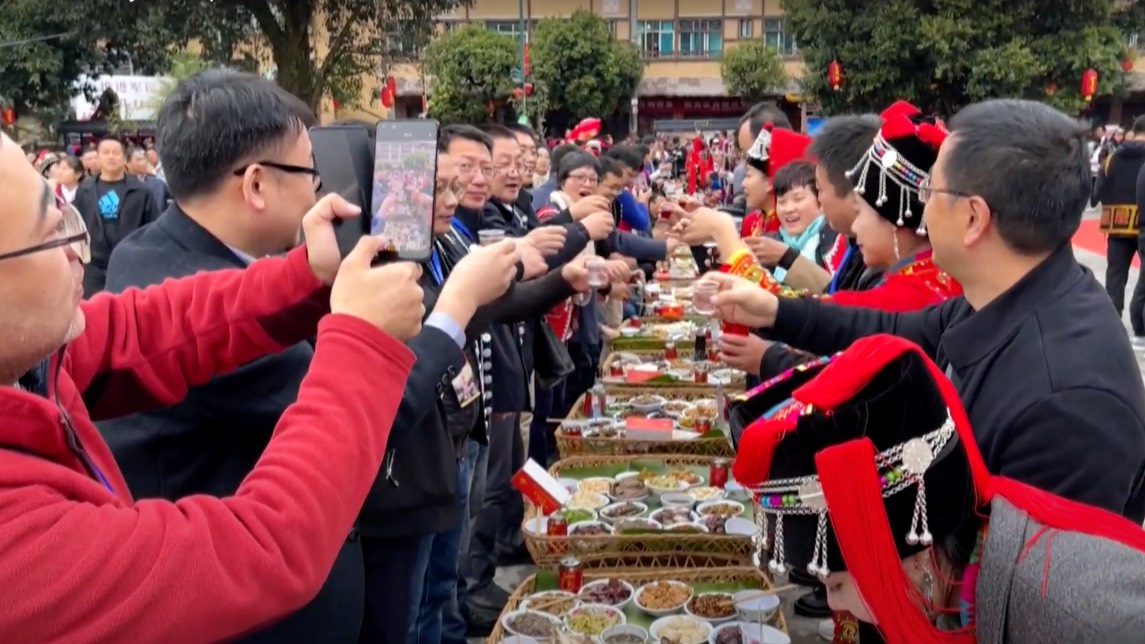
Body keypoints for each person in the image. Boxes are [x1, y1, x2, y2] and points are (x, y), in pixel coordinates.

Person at [0, 127, 426, 640]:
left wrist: (308, 276)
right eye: (54, 230)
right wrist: (362, 343)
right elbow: (262, 550)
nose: (79, 252)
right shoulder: (16, 546)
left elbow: (139, 331)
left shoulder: (28, 361)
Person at [702, 98, 1145, 521]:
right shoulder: (1005, 294)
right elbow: (890, 330)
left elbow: (1028, 581)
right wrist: (772, 311)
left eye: (930, 188)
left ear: (974, 218)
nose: (921, 206)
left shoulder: (1067, 402)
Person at [732, 333, 1145, 644]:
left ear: (916, 559)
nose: (834, 604)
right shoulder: (968, 578)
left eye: (835, 584)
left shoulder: (1086, 621)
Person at [73, 136, 161, 296]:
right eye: (106, 153)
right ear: (98, 158)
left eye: (116, 153)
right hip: (93, 269)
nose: (111, 156)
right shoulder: (85, 191)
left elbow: (153, 230)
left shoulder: (140, 192)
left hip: (130, 267)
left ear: (124, 159)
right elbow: (76, 227)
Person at [1094, 115, 1145, 334]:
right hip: (1143, 225)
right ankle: (1139, 325)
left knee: (1115, 278)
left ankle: (1110, 324)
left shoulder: (1111, 159)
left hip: (1116, 225)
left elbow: (1099, 191)